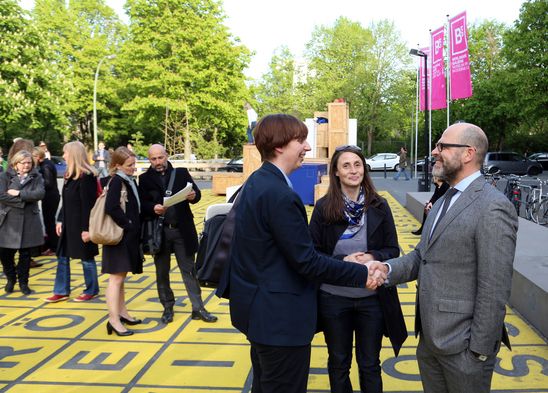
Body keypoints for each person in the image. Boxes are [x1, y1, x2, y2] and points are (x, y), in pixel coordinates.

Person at [217, 114, 386, 393]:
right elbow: (306, 261)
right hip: (280, 321)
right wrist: (360, 271)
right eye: (301, 140)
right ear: (280, 145)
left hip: (259, 314)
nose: (307, 147)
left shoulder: (258, 182)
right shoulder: (280, 194)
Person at [369, 122, 518, 393]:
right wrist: (386, 269)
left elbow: (494, 287)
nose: (435, 152)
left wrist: (478, 353)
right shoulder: (441, 201)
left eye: (442, 146)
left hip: (465, 350)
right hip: (429, 339)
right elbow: (421, 257)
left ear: (468, 153)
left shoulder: (493, 206)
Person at [309, 145, 407, 393]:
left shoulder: (379, 205)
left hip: (372, 299)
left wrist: (373, 256)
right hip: (334, 299)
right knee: (339, 363)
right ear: (336, 172)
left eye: (357, 164)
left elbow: (392, 249)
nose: (353, 170)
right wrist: (344, 261)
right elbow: (312, 255)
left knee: (370, 364)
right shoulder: (323, 208)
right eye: (346, 165)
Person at [138, 144, 217, 324]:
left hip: (182, 230)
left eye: (160, 157)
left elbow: (196, 195)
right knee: (162, 273)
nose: (158, 162)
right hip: (159, 233)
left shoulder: (181, 173)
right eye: (153, 159)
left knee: (189, 270)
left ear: (167, 155)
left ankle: (198, 308)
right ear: (149, 160)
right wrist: (153, 208)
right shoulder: (144, 179)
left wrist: (193, 196)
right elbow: (142, 205)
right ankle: (167, 308)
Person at [44, 141, 100, 303]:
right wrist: (60, 220)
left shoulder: (86, 177)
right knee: (62, 256)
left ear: (74, 154)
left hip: (82, 226)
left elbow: (88, 206)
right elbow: (66, 201)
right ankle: (61, 291)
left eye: (65, 152)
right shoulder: (70, 175)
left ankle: (91, 289)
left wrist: (87, 229)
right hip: (68, 225)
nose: (63, 155)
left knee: (86, 258)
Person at [103, 147, 143, 336]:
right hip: (119, 238)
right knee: (115, 279)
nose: (134, 168)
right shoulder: (118, 181)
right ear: (118, 165)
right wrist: (127, 224)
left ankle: (122, 312)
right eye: (129, 165)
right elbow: (111, 207)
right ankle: (113, 319)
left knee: (121, 278)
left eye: (134, 164)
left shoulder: (127, 180)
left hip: (126, 237)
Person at [0, 150, 45, 295]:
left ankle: (24, 283)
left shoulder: (36, 176)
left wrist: (19, 193)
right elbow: (2, 196)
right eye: (23, 163)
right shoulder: (4, 176)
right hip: (8, 220)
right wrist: (24, 201)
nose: (27, 165)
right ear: (15, 163)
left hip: (29, 220)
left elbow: (39, 194)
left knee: (25, 255)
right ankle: (11, 279)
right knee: (5, 254)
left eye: (29, 163)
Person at [33, 148, 60, 254]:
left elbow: (48, 183)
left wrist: (35, 184)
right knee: (49, 221)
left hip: (50, 197)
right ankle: (52, 246)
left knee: (49, 222)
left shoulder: (46, 165)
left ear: (38, 157)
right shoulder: (45, 164)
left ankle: (54, 247)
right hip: (50, 196)